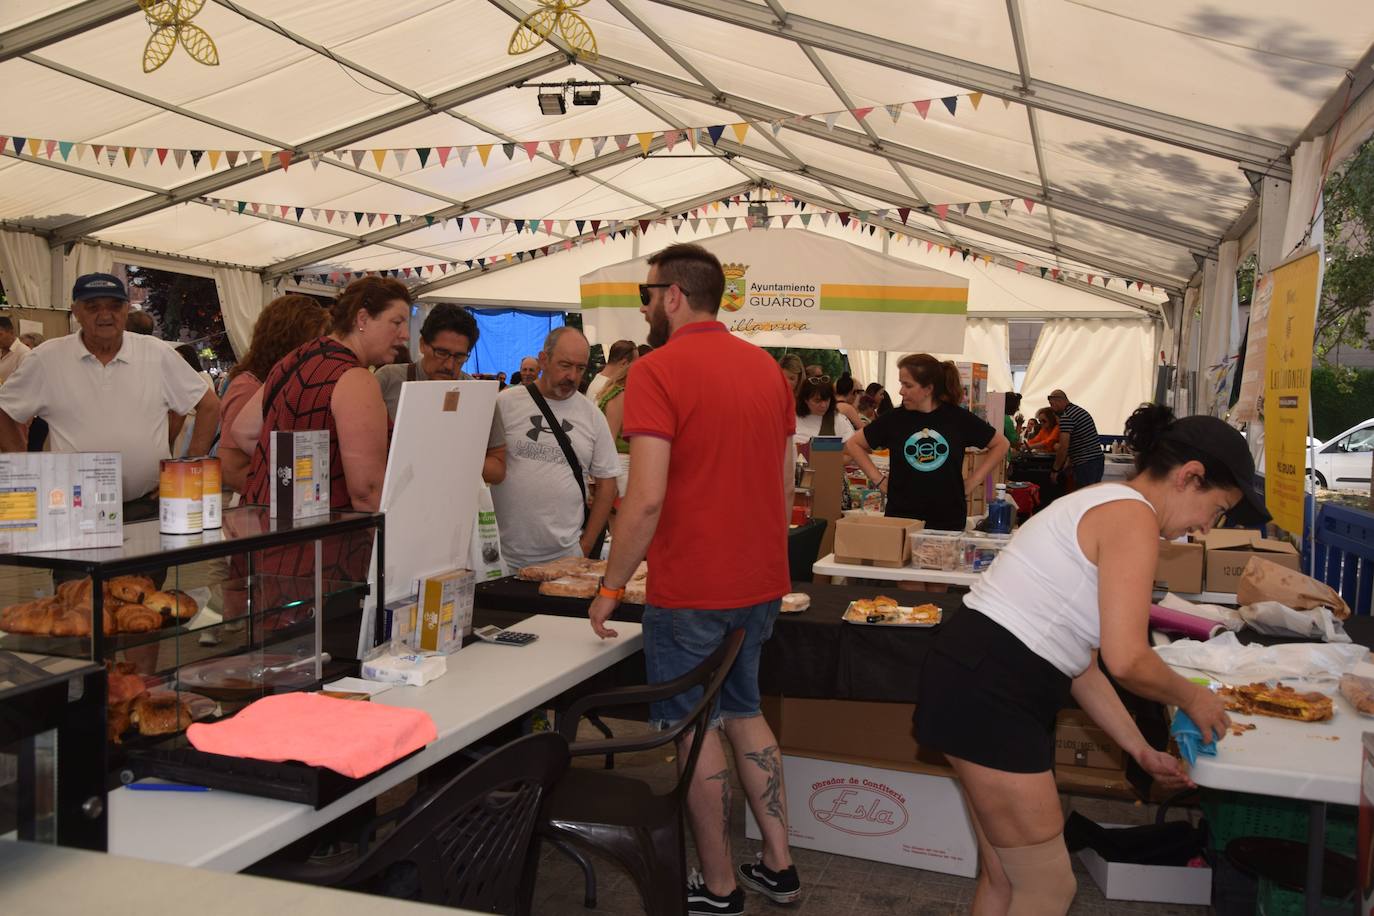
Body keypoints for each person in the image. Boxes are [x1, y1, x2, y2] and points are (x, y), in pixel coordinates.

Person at [915, 405, 1264, 914]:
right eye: (1217, 510)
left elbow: (1084, 664)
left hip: (976, 677)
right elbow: (1128, 659)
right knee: (1049, 887)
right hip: (992, 692)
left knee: (1006, 878)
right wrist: (1194, 698)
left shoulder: (1105, 502)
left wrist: (1140, 750)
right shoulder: (1131, 517)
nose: (1208, 528)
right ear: (1191, 477)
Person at [588, 243, 800, 916]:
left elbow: (644, 497)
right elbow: (782, 477)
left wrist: (611, 586)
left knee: (691, 729)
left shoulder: (658, 371)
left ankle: (718, 885)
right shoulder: (767, 369)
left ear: (672, 295)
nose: (645, 306)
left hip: (693, 587)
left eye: (646, 294)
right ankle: (779, 863)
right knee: (743, 713)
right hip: (760, 579)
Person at [0, 273, 217, 520]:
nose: (105, 315)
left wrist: (186, 470)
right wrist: (24, 469)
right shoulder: (47, 358)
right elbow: (4, 410)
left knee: (149, 559)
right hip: (76, 508)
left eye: (114, 306)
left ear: (126, 310)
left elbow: (209, 405)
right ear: (76, 312)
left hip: (147, 505)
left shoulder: (156, 353)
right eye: (93, 307)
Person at [233, 275, 410, 515]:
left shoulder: (295, 358)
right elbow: (367, 492)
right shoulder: (356, 378)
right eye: (396, 322)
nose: (405, 335)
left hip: (267, 529)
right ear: (363, 319)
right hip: (327, 540)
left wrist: (304, 474)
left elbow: (243, 432)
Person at [490, 327, 619, 570]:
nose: (572, 376)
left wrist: (585, 547)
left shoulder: (591, 416)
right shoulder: (505, 403)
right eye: (565, 365)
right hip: (501, 558)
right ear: (543, 359)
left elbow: (607, 484)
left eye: (580, 368)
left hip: (565, 559)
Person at [846, 354, 1009, 533]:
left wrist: (974, 481)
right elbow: (854, 444)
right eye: (901, 384)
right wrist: (879, 480)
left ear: (928, 388)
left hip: (948, 519)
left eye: (907, 385)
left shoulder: (957, 419)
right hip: (902, 518)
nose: (901, 391)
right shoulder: (894, 419)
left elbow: (1001, 444)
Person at [374, 303, 506, 485]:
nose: (449, 365)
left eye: (459, 357)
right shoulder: (389, 379)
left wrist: (450, 457)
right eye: (441, 352)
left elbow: (497, 470)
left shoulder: (480, 396)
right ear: (422, 345)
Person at [218, 294, 329, 494]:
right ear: (292, 341)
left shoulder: (283, 382)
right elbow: (231, 468)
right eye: (314, 341)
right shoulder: (249, 387)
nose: (318, 350)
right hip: (263, 507)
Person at [1048, 389, 1103, 489]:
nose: (1052, 408)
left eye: (1052, 404)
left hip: (1085, 463)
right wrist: (1070, 461)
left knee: (1084, 496)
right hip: (1097, 460)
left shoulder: (1066, 417)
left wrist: (1055, 469)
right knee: (1091, 494)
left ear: (1059, 400)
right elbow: (1080, 439)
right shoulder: (1079, 411)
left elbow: (1063, 447)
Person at [794, 376, 855, 443]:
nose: (823, 405)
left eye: (826, 400)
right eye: (817, 401)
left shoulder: (839, 420)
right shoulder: (792, 420)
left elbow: (851, 446)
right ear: (805, 400)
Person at [0, 317, 31, 383]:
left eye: (0, 334)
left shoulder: (24, 353)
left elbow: (25, 382)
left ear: (11, 332)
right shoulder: (1, 350)